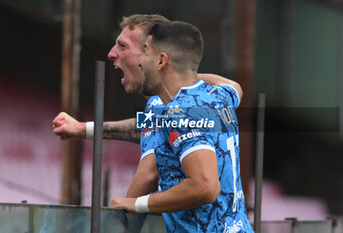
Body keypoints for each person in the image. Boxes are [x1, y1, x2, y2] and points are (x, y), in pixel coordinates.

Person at [52, 14, 242, 200]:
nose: (111, 53)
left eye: (123, 46)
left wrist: (123, 220)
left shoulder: (163, 105)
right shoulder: (210, 97)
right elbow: (143, 127)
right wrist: (83, 128)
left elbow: (147, 176)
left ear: (153, 55)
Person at [110, 21, 254, 233]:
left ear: (161, 60)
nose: (140, 61)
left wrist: (137, 204)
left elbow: (205, 186)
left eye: (146, 52)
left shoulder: (183, 111)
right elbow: (235, 87)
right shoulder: (218, 96)